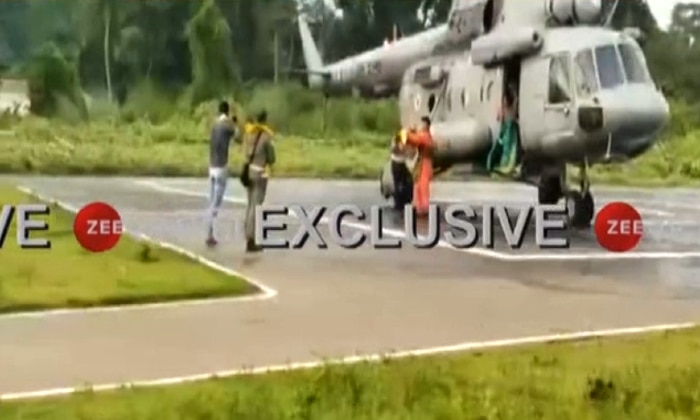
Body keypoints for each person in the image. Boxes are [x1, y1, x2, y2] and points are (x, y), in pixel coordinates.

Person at [206, 101, 238, 247]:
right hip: (221, 166)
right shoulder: (227, 126)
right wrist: (235, 123)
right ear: (228, 112)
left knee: (211, 199)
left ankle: (210, 231)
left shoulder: (214, 126)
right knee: (216, 203)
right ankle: (210, 233)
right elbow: (238, 137)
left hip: (211, 165)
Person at [243, 110, 276, 253]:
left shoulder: (248, 134)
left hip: (248, 171)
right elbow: (272, 158)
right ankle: (251, 239)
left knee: (250, 205)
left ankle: (248, 233)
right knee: (256, 207)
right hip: (260, 173)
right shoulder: (266, 137)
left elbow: (245, 152)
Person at [404, 116, 434, 217]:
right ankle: (419, 206)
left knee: (422, 185)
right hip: (423, 162)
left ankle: (423, 208)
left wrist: (407, 131)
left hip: (425, 163)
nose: (420, 126)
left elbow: (415, 139)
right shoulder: (425, 135)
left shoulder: (425, 136)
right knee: (418, 185)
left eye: (422, 124)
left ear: (426, 125)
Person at [487, 88, 520, 174]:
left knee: (508, 147)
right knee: (506, 146)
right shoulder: (507, 109)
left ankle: (506, 165)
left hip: (509, 127)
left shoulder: (510, 108)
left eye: (504, 99)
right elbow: (499, 117)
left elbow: (500, 117)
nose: (504, 101)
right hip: (507, 127)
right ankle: (504, 164)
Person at [390, 130, 413, 209]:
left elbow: (410, 154)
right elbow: (394, 150)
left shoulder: (406, 142)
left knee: (407, 182)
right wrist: (402, 149)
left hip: (403, 164)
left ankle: (406, 200)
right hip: (396, 164)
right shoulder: (396, 141)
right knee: (398, 184)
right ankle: (398, 203)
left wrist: (407, 151)